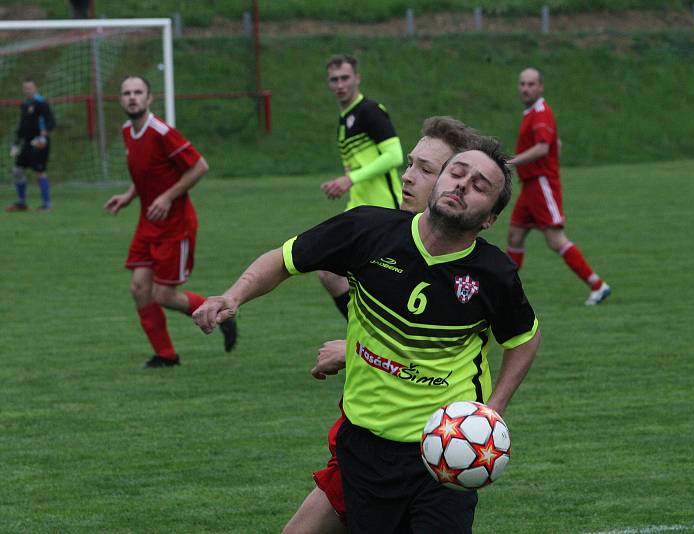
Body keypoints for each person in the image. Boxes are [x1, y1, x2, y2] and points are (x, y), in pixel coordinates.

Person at [193, 137, 541, 533]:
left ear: (489, 220)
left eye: (480, 186)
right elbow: (285, 259)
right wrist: (234, 295)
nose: (462, 185)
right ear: (440, 181)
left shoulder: (493, 275)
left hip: (445, 449)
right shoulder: (367, 229)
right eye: (457, 173)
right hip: (364, 447)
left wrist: (492, 410)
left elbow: (524, 339)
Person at [283, 116, 483, 534]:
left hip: (424, 446)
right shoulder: (386, 234)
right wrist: (353, 348)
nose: (407, 176)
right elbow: (390, 323)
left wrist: (352, 350)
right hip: (366, 442)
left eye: (425, 169)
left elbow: (426, 344)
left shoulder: (476, 268)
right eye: (411, 164)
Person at [104, 75, 236, 368]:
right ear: (121, 100)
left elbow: (200, 166)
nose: (132, 97)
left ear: (150, 98)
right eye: (127, 93)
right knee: (139, 288)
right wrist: (128, 196)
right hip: (147, 223)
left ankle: (218, 312)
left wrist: (166, 197)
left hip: (175, 226)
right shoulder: (128, 131)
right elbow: (147, 174)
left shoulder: (161, 131)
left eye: (138, 92)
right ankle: (165, 355)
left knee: (162, 295)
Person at [505, 67, 611, 305]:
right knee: (515, 236)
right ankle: (504, 292)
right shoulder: (532, 113)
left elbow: (543, 147)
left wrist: (511, 162)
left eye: (531, 84)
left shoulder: (541, 113)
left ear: (541, 87)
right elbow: (556, 144)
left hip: (540, 184)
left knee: (555, 239)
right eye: (522, 84)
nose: (525, 88)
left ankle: (597, 285)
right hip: (530, 185)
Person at [318, 54, 404, 319]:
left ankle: (376, 332)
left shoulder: (369, 111)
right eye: (334, 80)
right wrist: (349, 178)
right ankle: (364, 329)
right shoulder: (345, 120)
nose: (340, 84)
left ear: (357, 78)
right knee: (329, 271)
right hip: (359, 207)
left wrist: (349, 179)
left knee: (381, 283)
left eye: (345, 78)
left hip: (385, 210)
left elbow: (395, 156)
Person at [6, 78, 56, 212]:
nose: (27, 90)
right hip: (27, 143)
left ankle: (47, 205)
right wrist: (16, 144)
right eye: (25, 88)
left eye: (29, 88)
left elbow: (51, 121)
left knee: (40, 172)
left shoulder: (41, 103)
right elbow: (22, 126)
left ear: (35, 88)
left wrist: (44, 134)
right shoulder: (25, 104)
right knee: (18, 170)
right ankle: (22, 203)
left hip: (40, 142)